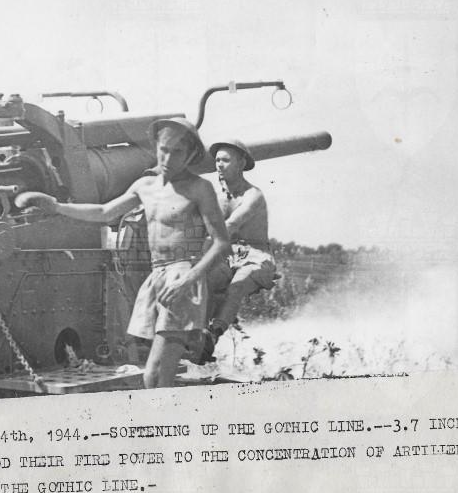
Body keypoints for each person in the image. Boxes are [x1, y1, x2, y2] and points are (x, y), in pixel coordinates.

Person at [15, 117, 229, 388]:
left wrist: (188, 279)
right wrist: (56, 206)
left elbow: (222, 242)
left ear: (191, 155)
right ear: (155, 147)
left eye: (177, 152)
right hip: (157, 277)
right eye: (164, 149)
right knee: (157, 374)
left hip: (182, 277)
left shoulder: (200, 189)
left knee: (155, 374)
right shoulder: (145, 186)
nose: (168, 158)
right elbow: (104, 212)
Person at [203, 139, 277, 360]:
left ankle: (213, 335)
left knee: (236, 286)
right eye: (217, 160)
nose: (219, 165)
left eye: (225, 160)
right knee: (203, 281)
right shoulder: (217, 197)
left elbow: (231, 225)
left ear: (241, 163)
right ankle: (197, 337)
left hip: (255, 255)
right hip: (228, 254)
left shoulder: (253, 195)